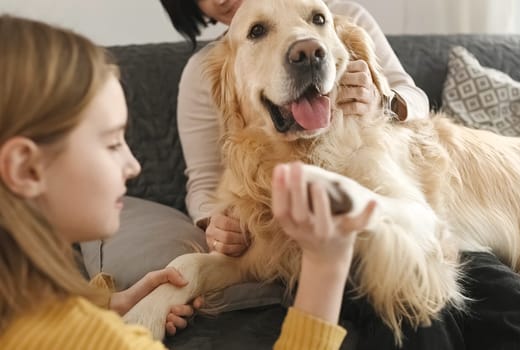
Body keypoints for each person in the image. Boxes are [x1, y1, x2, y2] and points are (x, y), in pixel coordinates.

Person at [0, 15, 374, 350]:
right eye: (113, 142)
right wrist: (325, 267)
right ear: (25, 169)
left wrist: (105, 303)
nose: (133, 166)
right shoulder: (104, 340)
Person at [159, 0, 430, 255]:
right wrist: (215, 223)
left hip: (379, 181)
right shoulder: (205, 69)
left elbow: (418, 101)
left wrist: (381, 98)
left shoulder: (342, 17)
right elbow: (204, 180)